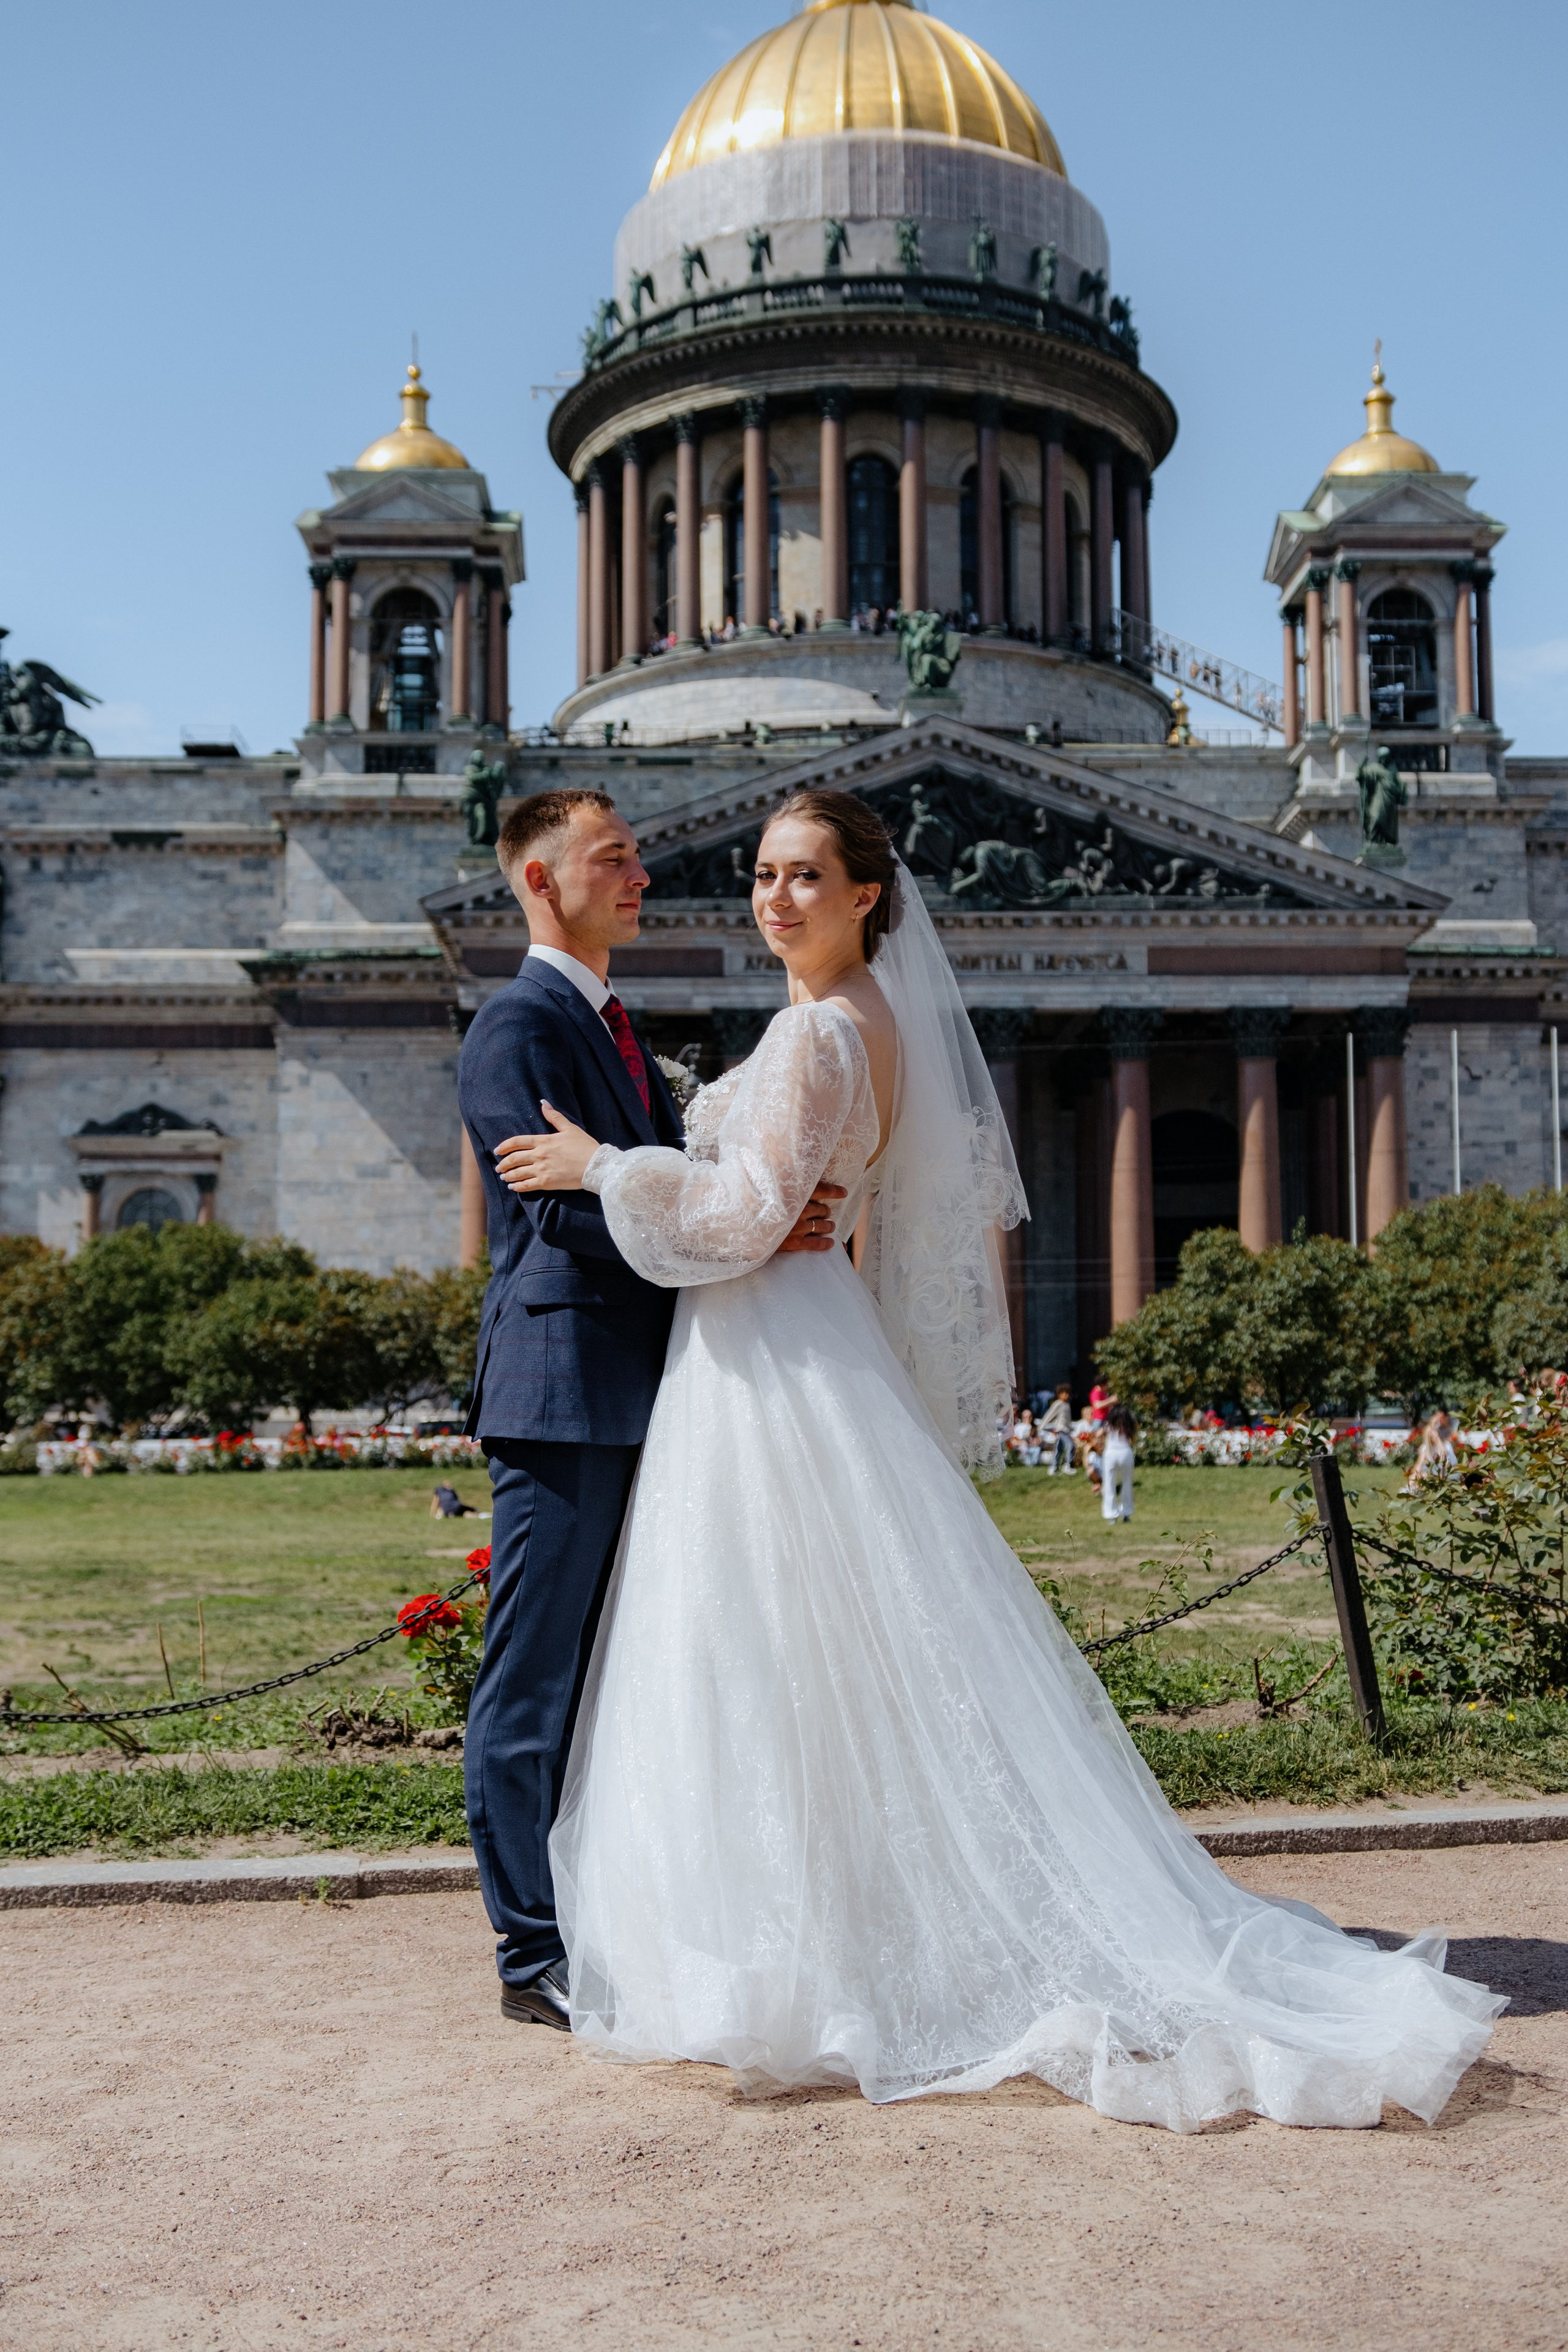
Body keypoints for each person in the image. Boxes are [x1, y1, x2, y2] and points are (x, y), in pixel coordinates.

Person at [494, 790, 1499, 2130]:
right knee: (803, 1650)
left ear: (868, 895)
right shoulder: (871, 1026)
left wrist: (601, 1164)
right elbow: (770, 1205)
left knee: (753, 1647)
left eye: (803, 875)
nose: (771, 897)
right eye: (761, 872)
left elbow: (739, 1219)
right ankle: (833, 1921)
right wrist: (724, 1187)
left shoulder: (815, 1031)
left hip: (765, 1360)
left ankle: (786, 1943)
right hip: (791, 1346)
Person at [457, 788, 834, 2032]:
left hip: (640, 1390)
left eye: (635, 860)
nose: (639, 877)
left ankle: (603, 1922)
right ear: (536, 880)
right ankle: (531, 1957)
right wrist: (738, 1231)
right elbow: (567, 1211)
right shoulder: (517, 1028)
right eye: (611, 860)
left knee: (618, 1677)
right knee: (531, 1687)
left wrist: (762, 1219)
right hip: (566, 1397)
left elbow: (648, 1192)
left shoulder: (608, 1028)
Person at [1101, 1400, 1136, 1522]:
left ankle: (1112, 1516)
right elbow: (1132, 1440)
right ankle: (1126, 1513)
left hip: (1111, 1454)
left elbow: (1099, 1434)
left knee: (1110, 1486)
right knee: (1127, 1484)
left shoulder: (1108, 1425)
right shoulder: (1129, 1426)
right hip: (1126, 1454)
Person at [1040, 1384, 1074, 1474]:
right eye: (1064, 1394)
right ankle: (1068, 1465)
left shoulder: (1067, 1404)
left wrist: (1070, 1429)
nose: (1066, 1395)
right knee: (1070, 1445)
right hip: (1061, 1430)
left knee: (1059, 1448)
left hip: (1066, 1430)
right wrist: (1042, 1426)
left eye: (1068, 1393)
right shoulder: (1058, 1404)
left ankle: (1053, 1468)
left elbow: (1067, 1419)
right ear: (1059, 1394)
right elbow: (1050, 1415)